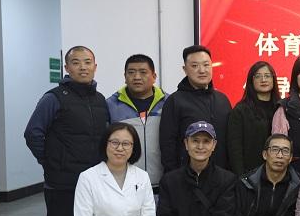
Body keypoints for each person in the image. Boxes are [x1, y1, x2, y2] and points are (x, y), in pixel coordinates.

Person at [24, 45, 109, 216]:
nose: (83, 67)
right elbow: (33, 133)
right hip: (63, 186)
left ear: (95, 66)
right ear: (67, 68)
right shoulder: (54, 98)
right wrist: (51, 164)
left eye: (87, 62)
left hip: (92, 186)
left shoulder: (99, 100)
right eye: (76, 62)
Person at [160, 44, 232, 173]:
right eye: (194, 66)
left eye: (206, 65)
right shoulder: (174, 101)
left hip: (220, 177)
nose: (202, 70)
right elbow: (167, 144)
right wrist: (175, 176)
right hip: (186, 177)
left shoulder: (223, 100)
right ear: (185, 69)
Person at [106, 54, 167, 187]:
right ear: (125, 77)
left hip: (162, 185)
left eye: (143, 72)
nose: (137, 77)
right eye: (131, 72)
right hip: (124, 185)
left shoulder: (168, 103)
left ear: (154, 76)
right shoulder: (110, 105)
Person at [227, 61, 280, 176]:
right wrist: (241, 177)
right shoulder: (240, 110)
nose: (263, 80)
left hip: (278, 173)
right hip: (250, 174)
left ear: (273, 80)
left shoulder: (280, 108)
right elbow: (235, 149)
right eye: (258, 76)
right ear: (251, 81)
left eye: (267, 76)